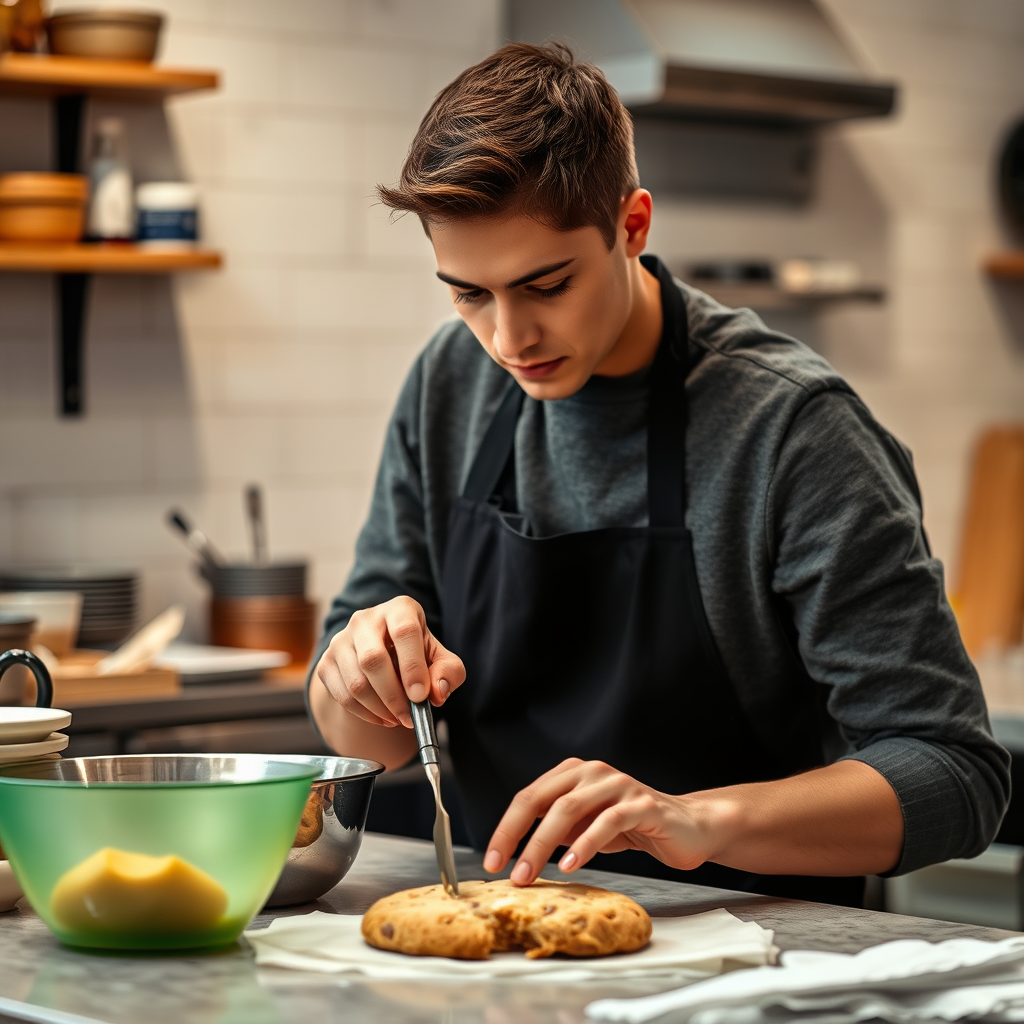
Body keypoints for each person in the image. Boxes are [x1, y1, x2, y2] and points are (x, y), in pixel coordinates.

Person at [307, 43, 1009, 907]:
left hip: (758, 958)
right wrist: (352, 675)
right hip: (505, 938)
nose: (508, 339)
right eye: (469, 294)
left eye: (546, 285)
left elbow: (955, 775)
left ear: (633, 227)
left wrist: (693, 820)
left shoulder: (792, 430)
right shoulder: (449, 386)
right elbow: (363, 744)